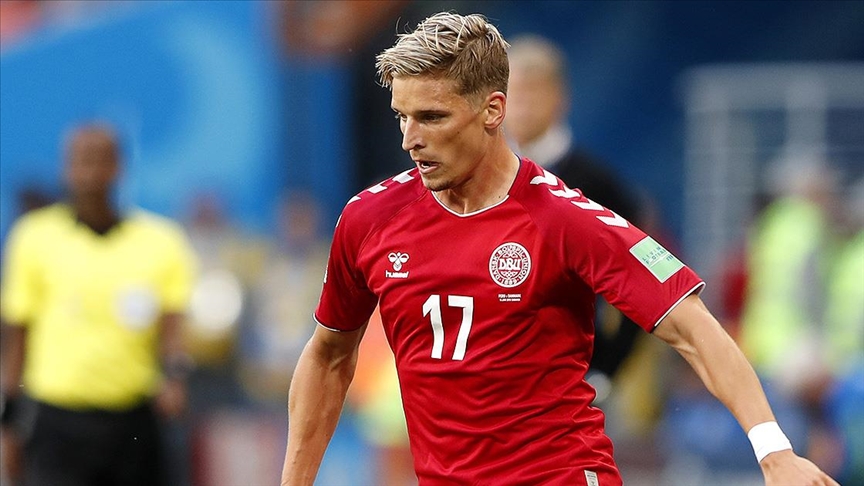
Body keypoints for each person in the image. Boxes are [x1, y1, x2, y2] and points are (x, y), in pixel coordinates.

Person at [280, 12, 837, 486]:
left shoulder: (565, 218)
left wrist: (774, 451)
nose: (410, 139)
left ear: (493, 110)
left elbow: (692, 326)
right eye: (402, 116)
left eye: (432, 117)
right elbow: (329, 354)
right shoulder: (370, 219)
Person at [0, 123, 197, 486]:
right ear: (65, 168)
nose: (90, 174)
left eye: (100, 161)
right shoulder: (34, 238)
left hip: (133, 420)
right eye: (81, 161)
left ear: (119, 167)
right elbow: (17, 337)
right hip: (57, 423)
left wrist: (175, 378)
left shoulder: (160, 241)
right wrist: (9, 421)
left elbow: (172, 327)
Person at [505, 34, 646, 397]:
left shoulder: (597, 183)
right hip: (498, 377)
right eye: (515, 93)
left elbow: (643, 279)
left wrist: (607, 369)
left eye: (533, 93)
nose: (522, 106)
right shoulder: (482, 176)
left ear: (559, 98)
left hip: (572, 378)